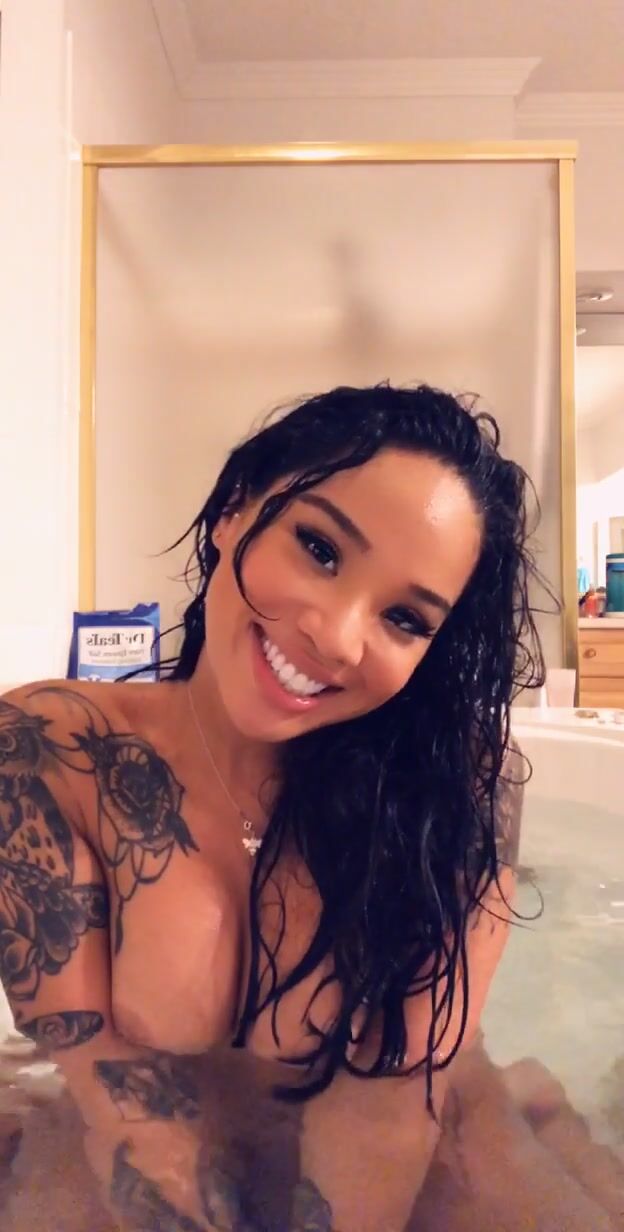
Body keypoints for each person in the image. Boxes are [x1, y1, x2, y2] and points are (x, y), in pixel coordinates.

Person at [0, 382, 548, 1231]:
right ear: (233, 511)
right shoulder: (51, 753)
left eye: (405, 617)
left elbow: (395, 1100)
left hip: (410, 1143)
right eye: (320, 549)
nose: (336, 635)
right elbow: (117, 1095)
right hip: (140, 1143)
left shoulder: (456, 787)